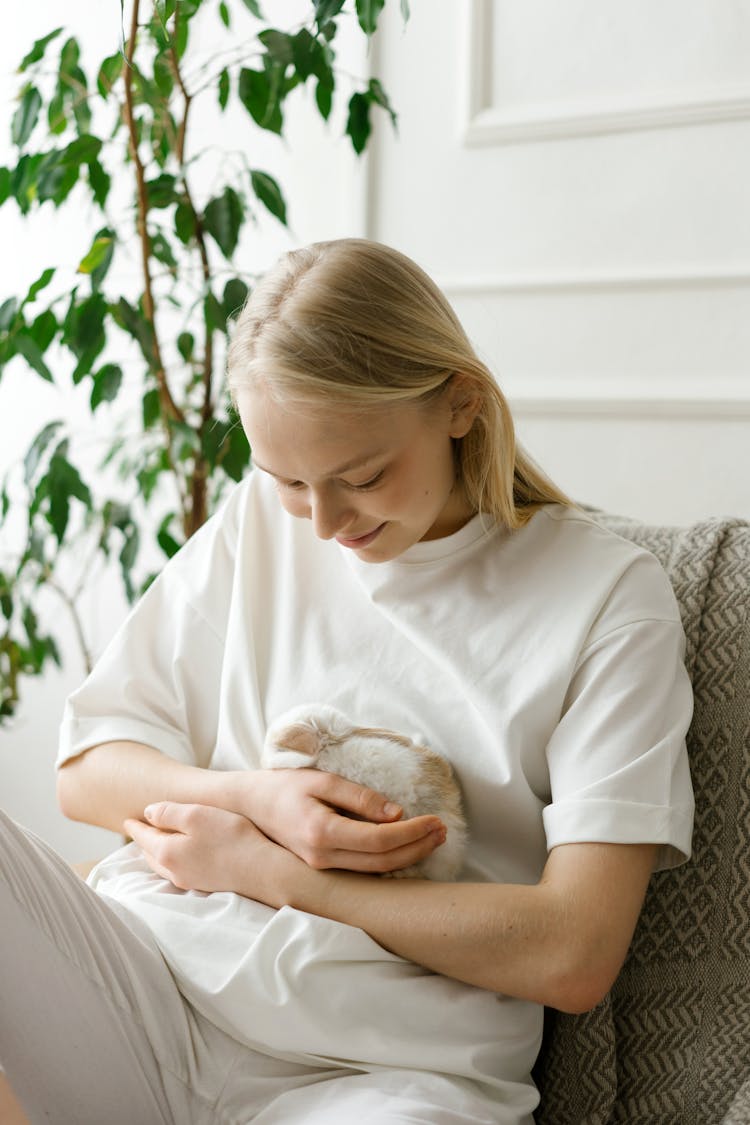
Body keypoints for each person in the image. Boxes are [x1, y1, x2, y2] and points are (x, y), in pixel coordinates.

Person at [0, 238, 694, 1125]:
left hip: (383, 1078)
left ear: (460, 405)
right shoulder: (258, 524)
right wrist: (253, 797)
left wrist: (272, 870)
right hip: (146, 993)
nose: (324, 522)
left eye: (360, 476)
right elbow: (88, 767)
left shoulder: (606, 597)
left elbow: (575, 952)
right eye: (288, 480)